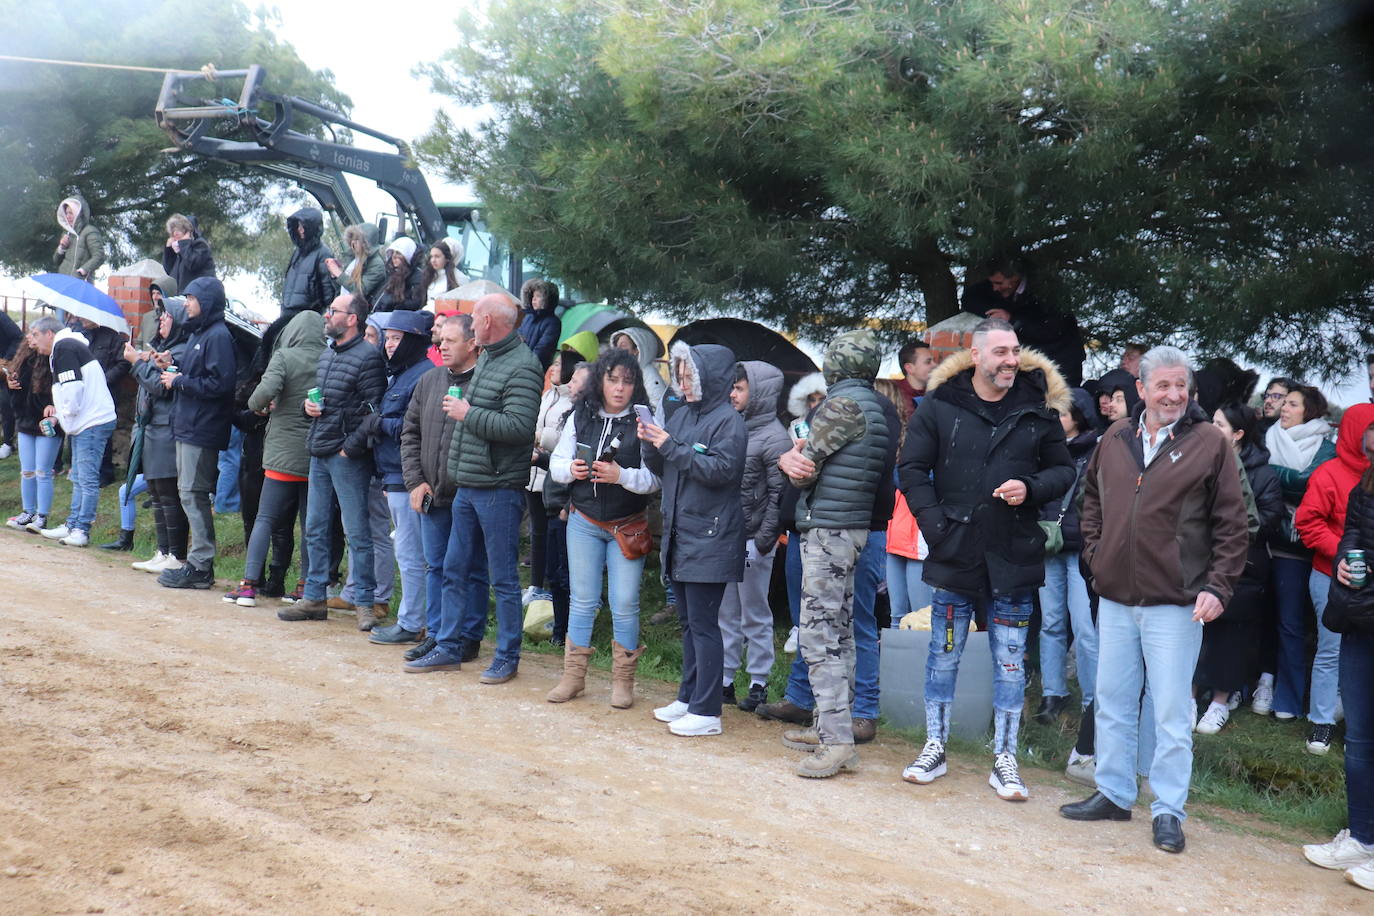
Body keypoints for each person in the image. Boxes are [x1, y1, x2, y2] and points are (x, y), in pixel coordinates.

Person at [1060, 345, 1248, 854]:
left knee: (1168, 711)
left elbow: (1235, 525)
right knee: (1115, 703)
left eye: (1180, 386)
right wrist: (1096, 556)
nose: (1173, 395)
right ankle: (1114, 793)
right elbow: (1091, 499)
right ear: (1139, 389)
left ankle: (1168, 810)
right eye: (1162, 385)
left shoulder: (1210, 443)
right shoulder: (1115, 438)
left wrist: (1217, 586)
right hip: (1117, 596)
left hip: (1176, 602)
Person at [896, 318, 1074, 800]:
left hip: (1014, 554)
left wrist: (1031, 488)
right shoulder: (940, 405)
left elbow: (1063, 470)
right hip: (956, 551)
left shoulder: (1038, 407)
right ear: (976, 357)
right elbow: (911, 468)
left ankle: (1005, 758)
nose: (1011, 360)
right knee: (943, 653)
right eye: (1000, 352)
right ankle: (935, 746)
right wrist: (936, 526)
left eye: (1015, 350)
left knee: (1011, 661)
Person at [406, 295, 542, 680]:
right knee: (452, 568)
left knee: (502, 577)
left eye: (474, 319)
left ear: (485, 322)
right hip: (468, 483)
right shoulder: (491, 358)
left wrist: (469, 414)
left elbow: (519, 429)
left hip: (499, 488)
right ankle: (448, 646)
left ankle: (507, 657)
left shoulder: (524, 366)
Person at [774, 329, 891, 776]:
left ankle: (837, 742)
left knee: (819, 633)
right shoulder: (876, 408)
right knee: (840, 632)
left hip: (828, 529)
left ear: (834, 364)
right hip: (855, 527)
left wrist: (789, 461)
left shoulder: (840, 405)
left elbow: (804, 467)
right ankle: (830, 726)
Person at [642, 341, 747, 737]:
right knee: (688, 622)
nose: (681, 381)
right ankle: (688, 698)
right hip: (681, 533)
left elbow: (721, 470)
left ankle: (708, 711)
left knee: (705, 625)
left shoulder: (728, 421)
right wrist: (649, 441)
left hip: (712, 535)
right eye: (680, 374)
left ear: (710, 378)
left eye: (689, 375)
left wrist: (669, 445)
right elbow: (664, 462)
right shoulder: (682, 414)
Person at [546, 349, 661, 706]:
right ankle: (573, 677)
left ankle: (623, 682)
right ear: (601, 380)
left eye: (627, 382)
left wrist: (621, 475)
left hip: (627, 526)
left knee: (624, 603)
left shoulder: (645, 422)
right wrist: (572, 471)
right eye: (613, 379)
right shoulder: (581, 415)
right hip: (583, 520)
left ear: (635, 385)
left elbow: (656, 480)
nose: (620, 388)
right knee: (582, 602)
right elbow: (556, 464)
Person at [282, 293, 387, 624]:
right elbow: (323, 400)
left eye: (333, 311)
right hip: (320, 450)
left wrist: (349, 448)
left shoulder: (369, 357)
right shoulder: (328, 354)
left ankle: (366, 605)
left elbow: (374, 410)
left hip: (347, 457)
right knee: (314, 528)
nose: (326, 316)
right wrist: (306, 408)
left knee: (357, 532)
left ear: (352, 318)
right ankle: (314, 599)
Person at [1301, 424, 1374, 892]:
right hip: (1361, 621)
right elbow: (1351, 533)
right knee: (1362, 741)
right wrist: (1347, 560)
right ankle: (1364, 839)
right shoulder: (1366, 481)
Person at [221, 310, 325, 607]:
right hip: (315, 454)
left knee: (265, 518)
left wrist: (267, 405)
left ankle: (248, 585)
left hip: (281, 452)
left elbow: (257, 398)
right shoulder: (329, 359)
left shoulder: (284, 357)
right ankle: (305, 587)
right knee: (309, 524)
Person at [1193, 402, 1284, 735]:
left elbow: (1267, 520)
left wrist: (1225, 532)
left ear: (1239, 434)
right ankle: (1189, 698)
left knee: (1231, 639)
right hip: (1200, 562)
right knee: (1196, 634)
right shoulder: (1202, 460)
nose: (1212, 429)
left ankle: (1219, 703)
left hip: (1244, 566)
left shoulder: (1263, 473)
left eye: (1220, 425)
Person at [400, 313, 486, 664]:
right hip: (433, 492)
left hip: (471, 493)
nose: (441, 346)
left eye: (450, 340)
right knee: (435, 566)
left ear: (472, 344)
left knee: (474, 569)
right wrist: (415, 481)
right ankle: (436, 636)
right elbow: (409, 434)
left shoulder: (486, 383)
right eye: (440, 340)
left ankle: (469, 637)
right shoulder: (429, 380)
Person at [1294, 403, 1374, 754]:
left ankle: (1357, 727)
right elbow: (1307, 522)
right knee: (1330, 651)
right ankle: (1321, 722)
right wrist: (1341, 555)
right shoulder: (1329, 473)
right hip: (1329, 576)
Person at [151, 277, 237, 588]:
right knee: (189, 493)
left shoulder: (218, 336)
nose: (186, 303)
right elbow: (199, 370)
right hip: (189, 424)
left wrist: (179, 382)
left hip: (202, 428)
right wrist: (173, 362)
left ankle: (200, 566)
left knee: (193, 494)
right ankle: (198, 563)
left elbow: (221, 385)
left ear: (208, 302)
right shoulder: (202, 333)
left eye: (192, 298)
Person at [718, 360, 790, 711]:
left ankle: (759, 682)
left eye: (741, 388)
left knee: (755, 613)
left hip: (752, 541)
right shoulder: (734, 427)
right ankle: (726, 679)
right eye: (732, 387)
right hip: (728, 536)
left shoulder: (775, 437)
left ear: (759, 394)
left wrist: (763, 543)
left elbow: (780, 495)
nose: (733, 393)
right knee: (726, 612)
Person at [362, 310, 435, 644]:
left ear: (414, 341)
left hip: (409, 477)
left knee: (411, 553)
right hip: (392, 474)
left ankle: (413, 622)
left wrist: (380, 424)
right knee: (408, 551)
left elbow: (416, 427)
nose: (389, 345)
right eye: (387, 337)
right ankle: (417, 620)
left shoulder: (423, 375)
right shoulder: (400, 374)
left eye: (396, 338)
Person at [1266, 384, 1335, 722]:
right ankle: (1275, 694)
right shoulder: (1269, 437)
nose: (1283, 408)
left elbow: (1311, 480)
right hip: (1275, 545)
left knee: (1305, 627)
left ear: (1309, 411)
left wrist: (1275, 477)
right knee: (1277, 623)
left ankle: (1300, 700)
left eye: (1292, 404)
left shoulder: (1325, 447)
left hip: (1310, 549)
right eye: (1283, 402)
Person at [1035, 388, 1101, 737]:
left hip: (1080, 548)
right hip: (1050, 545)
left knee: (1085, 628)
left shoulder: (1098, 451)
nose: (1054, 420)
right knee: (1051, 623)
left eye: (1061, 413)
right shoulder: (1045, 450)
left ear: (1079, 415)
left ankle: (1092, 700)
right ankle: (1052, 692)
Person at [31, 315, 117, 547]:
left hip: (92, 421)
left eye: (36, 335)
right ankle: (72, 524)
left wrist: (63, 415)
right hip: (86, 420)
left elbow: (73, 388)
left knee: (87, 479)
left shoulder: (64, 347)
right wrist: (60, 415)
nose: (32, 341)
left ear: (50, 333)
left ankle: (81, 529)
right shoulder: (66, 346)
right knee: (79, 477)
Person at [122, 297, 192, 574]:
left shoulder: (182, 351)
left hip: (168, 430)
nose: (161, 319)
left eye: (167, 316)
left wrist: (137, 364)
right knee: (157, 492)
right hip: (153, 430)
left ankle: (177, 554)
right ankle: (163, 551)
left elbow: (161, 387)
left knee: (168, 493)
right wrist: (145, 360)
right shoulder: (164, 349)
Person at [961, 257, 1084, 387]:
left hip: (1061, 362)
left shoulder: (1048, 291)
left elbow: (1051, 329)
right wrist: (993, 313)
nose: (995, 288)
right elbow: (969, 298)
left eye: (999, 283)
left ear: (1014, 278)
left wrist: (1012, 320)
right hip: (1027, 366)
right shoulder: (998, 286)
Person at [3, 331, 58, 533]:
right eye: (30, 334)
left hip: (46, 421)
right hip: (25, 421)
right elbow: (16, 394)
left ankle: (42, 516)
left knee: (43, 471)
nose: (29, 338)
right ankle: (28, 512)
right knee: (27, 471)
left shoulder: (54, 358)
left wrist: (54, 410)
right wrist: (11, 384)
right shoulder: (24, 358)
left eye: (35, 334)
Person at [610, 328, 667, 416]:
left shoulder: (649, 374)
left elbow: (659, 407)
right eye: (617, 346)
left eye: (623, 345)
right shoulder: (620, 373)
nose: (619, 349)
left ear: (636, 349)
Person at [330, 223, 386, 305]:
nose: (353, 242)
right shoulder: (353, 258)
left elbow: (360, 291)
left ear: (366, 242)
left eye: (357, 239)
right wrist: (334, 275)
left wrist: (339, 274)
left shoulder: (376, 264)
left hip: (355, 309)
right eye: (352, 238)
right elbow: (342, 288)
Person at [53, 194, 105, 282]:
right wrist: (61, 248)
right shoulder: (66, 233)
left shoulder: (90, 231)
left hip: (81, 283)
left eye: (71, 213)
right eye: (66, 213)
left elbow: (99, 256)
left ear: (79, 213)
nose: (68, 216)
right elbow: (56, 261)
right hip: (63, 281)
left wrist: (83, 270)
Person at [161, 214, 216, 291]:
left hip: (199, 295)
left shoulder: (201, 245)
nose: (175, 234)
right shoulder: (180, 251)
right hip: (182, 297)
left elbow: (192, 264)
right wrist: (169, 250)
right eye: (173, 231)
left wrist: (184, 243)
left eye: (178, 230)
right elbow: (167, 270)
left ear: (187, 231)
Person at [518, 279, 561, 369]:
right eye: (533, 295)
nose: (534, 299)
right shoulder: (528, 317)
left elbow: (543, 351)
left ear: (548, 300)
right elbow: (517, 340)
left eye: (538, 296)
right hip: (519, 366)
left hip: (537, 370)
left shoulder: (553, 323)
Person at [372, 238, 424, 312]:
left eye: (398, 253)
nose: (394, 256)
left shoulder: (417, 276)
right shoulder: (390, 272)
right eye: (392, 252)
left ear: (407, 255)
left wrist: (395, 304)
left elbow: (415, 303)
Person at [419, 238, 464, 313]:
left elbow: (462, 307)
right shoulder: (430, 274)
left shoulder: (459, 278)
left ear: (448, 258)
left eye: (437, 256)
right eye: (431, 256)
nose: (433, 260)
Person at [895, 340, 937, 408]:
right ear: (909, 368)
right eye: (928, 362)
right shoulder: (892, 393)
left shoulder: (937, 395)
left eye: (934, 361)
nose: (935, 365)